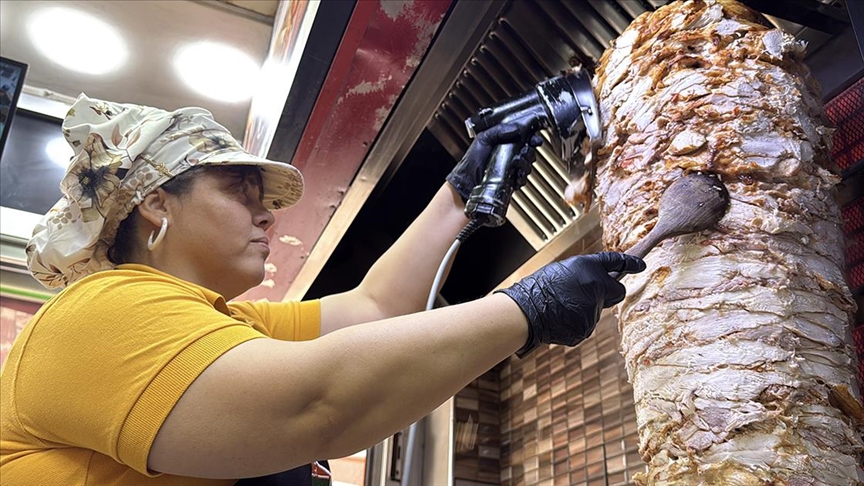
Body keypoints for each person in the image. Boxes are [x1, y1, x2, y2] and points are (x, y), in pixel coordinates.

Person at [0, 94, 645, 485]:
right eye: (239, 191)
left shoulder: (224, 326)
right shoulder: (98, 314)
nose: (268, 215)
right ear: (154, 204)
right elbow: (315, 403)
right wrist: (524, 312)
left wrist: (461, 185)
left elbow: (372, 310)